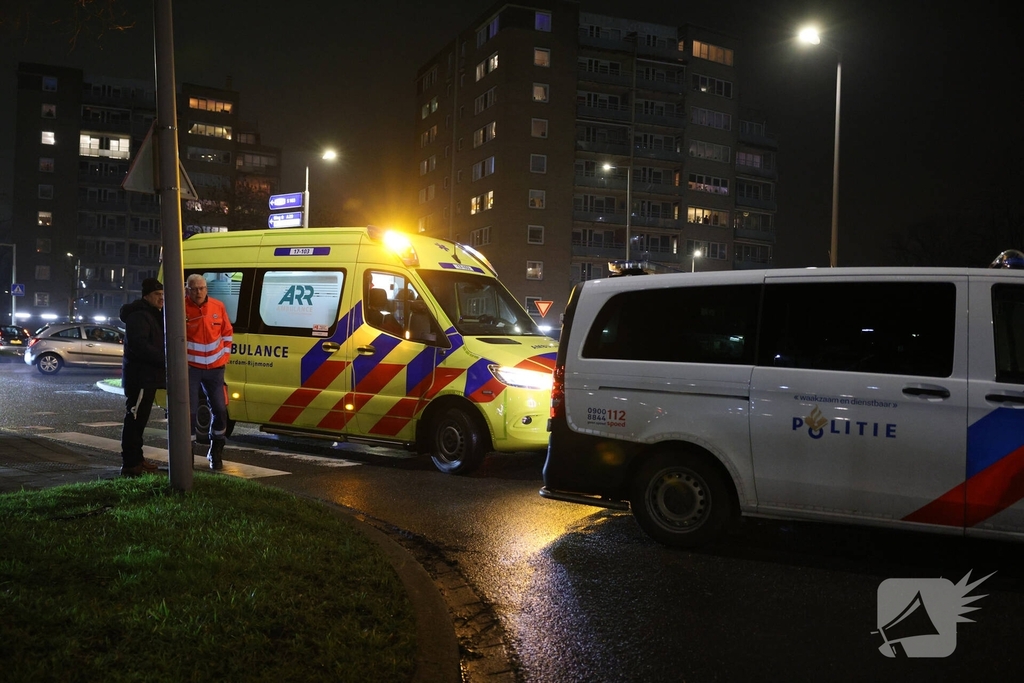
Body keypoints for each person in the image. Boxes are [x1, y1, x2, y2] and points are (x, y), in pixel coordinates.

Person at [185, 274, 233, 470]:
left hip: (215, 368)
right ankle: (186, 453)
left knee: (221, 410)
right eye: (194, 289)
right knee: (189, 412)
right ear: (187, 290)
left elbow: (227, 333)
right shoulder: (180, 307)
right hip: (191, 368)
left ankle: (216, 450)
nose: (198, 292)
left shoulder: (217, 306)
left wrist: (224, 357)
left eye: (202, 288)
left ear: (206, 288)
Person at [118, 277, 166, 477]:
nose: (161, 299)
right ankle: (131, 464)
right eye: (157, 295)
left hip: (147, 377)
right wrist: (165, 359)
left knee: (139, 420)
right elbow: (140, 346)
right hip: (140, 377)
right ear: (147, 295)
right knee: (135, 419)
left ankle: (137, 459)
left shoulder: (152, 314)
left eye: (163, 295)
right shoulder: (140, 316)